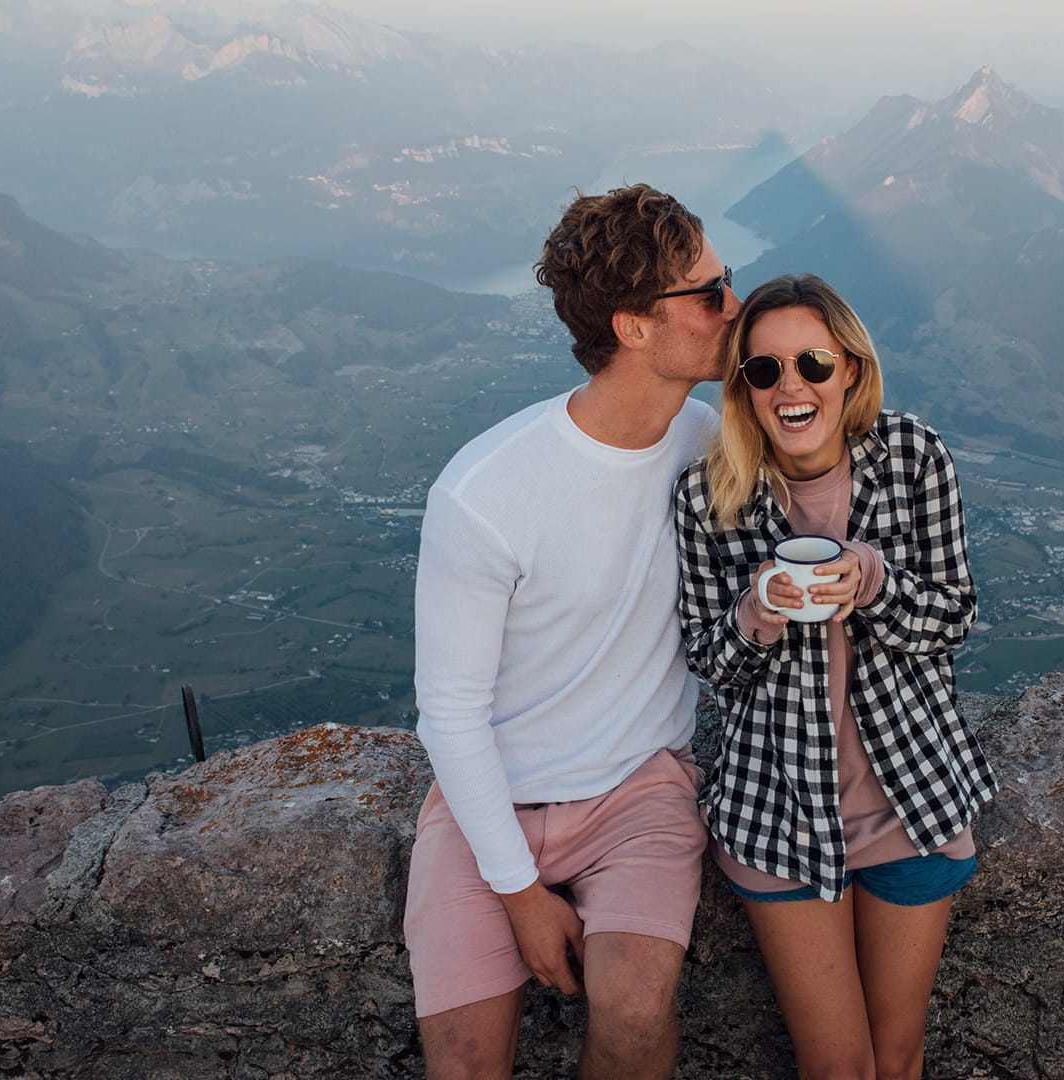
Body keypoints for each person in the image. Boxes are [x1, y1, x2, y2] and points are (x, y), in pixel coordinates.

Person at [405, 183, 736, 1080]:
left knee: (630, 1022)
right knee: (464, 1068)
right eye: (710, 292)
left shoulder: (708, 445)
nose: (734, 308)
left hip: (640, 797)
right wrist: (518, 893)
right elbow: (450, 712)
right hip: (488, 807)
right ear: (635, 326)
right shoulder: (486, 493)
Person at [674, 273, 996, 1080]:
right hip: (777, 815)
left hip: (910, 800)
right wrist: (758, 611)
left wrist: (873, 582)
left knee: (897, 1057)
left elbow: (954, 615)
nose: (792, 386)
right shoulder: (710, 496)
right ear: (743, 388)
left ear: (849, 368)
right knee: (838, 1068)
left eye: (813, 363)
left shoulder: (914, 457)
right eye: (764, 369)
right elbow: (711, 663)